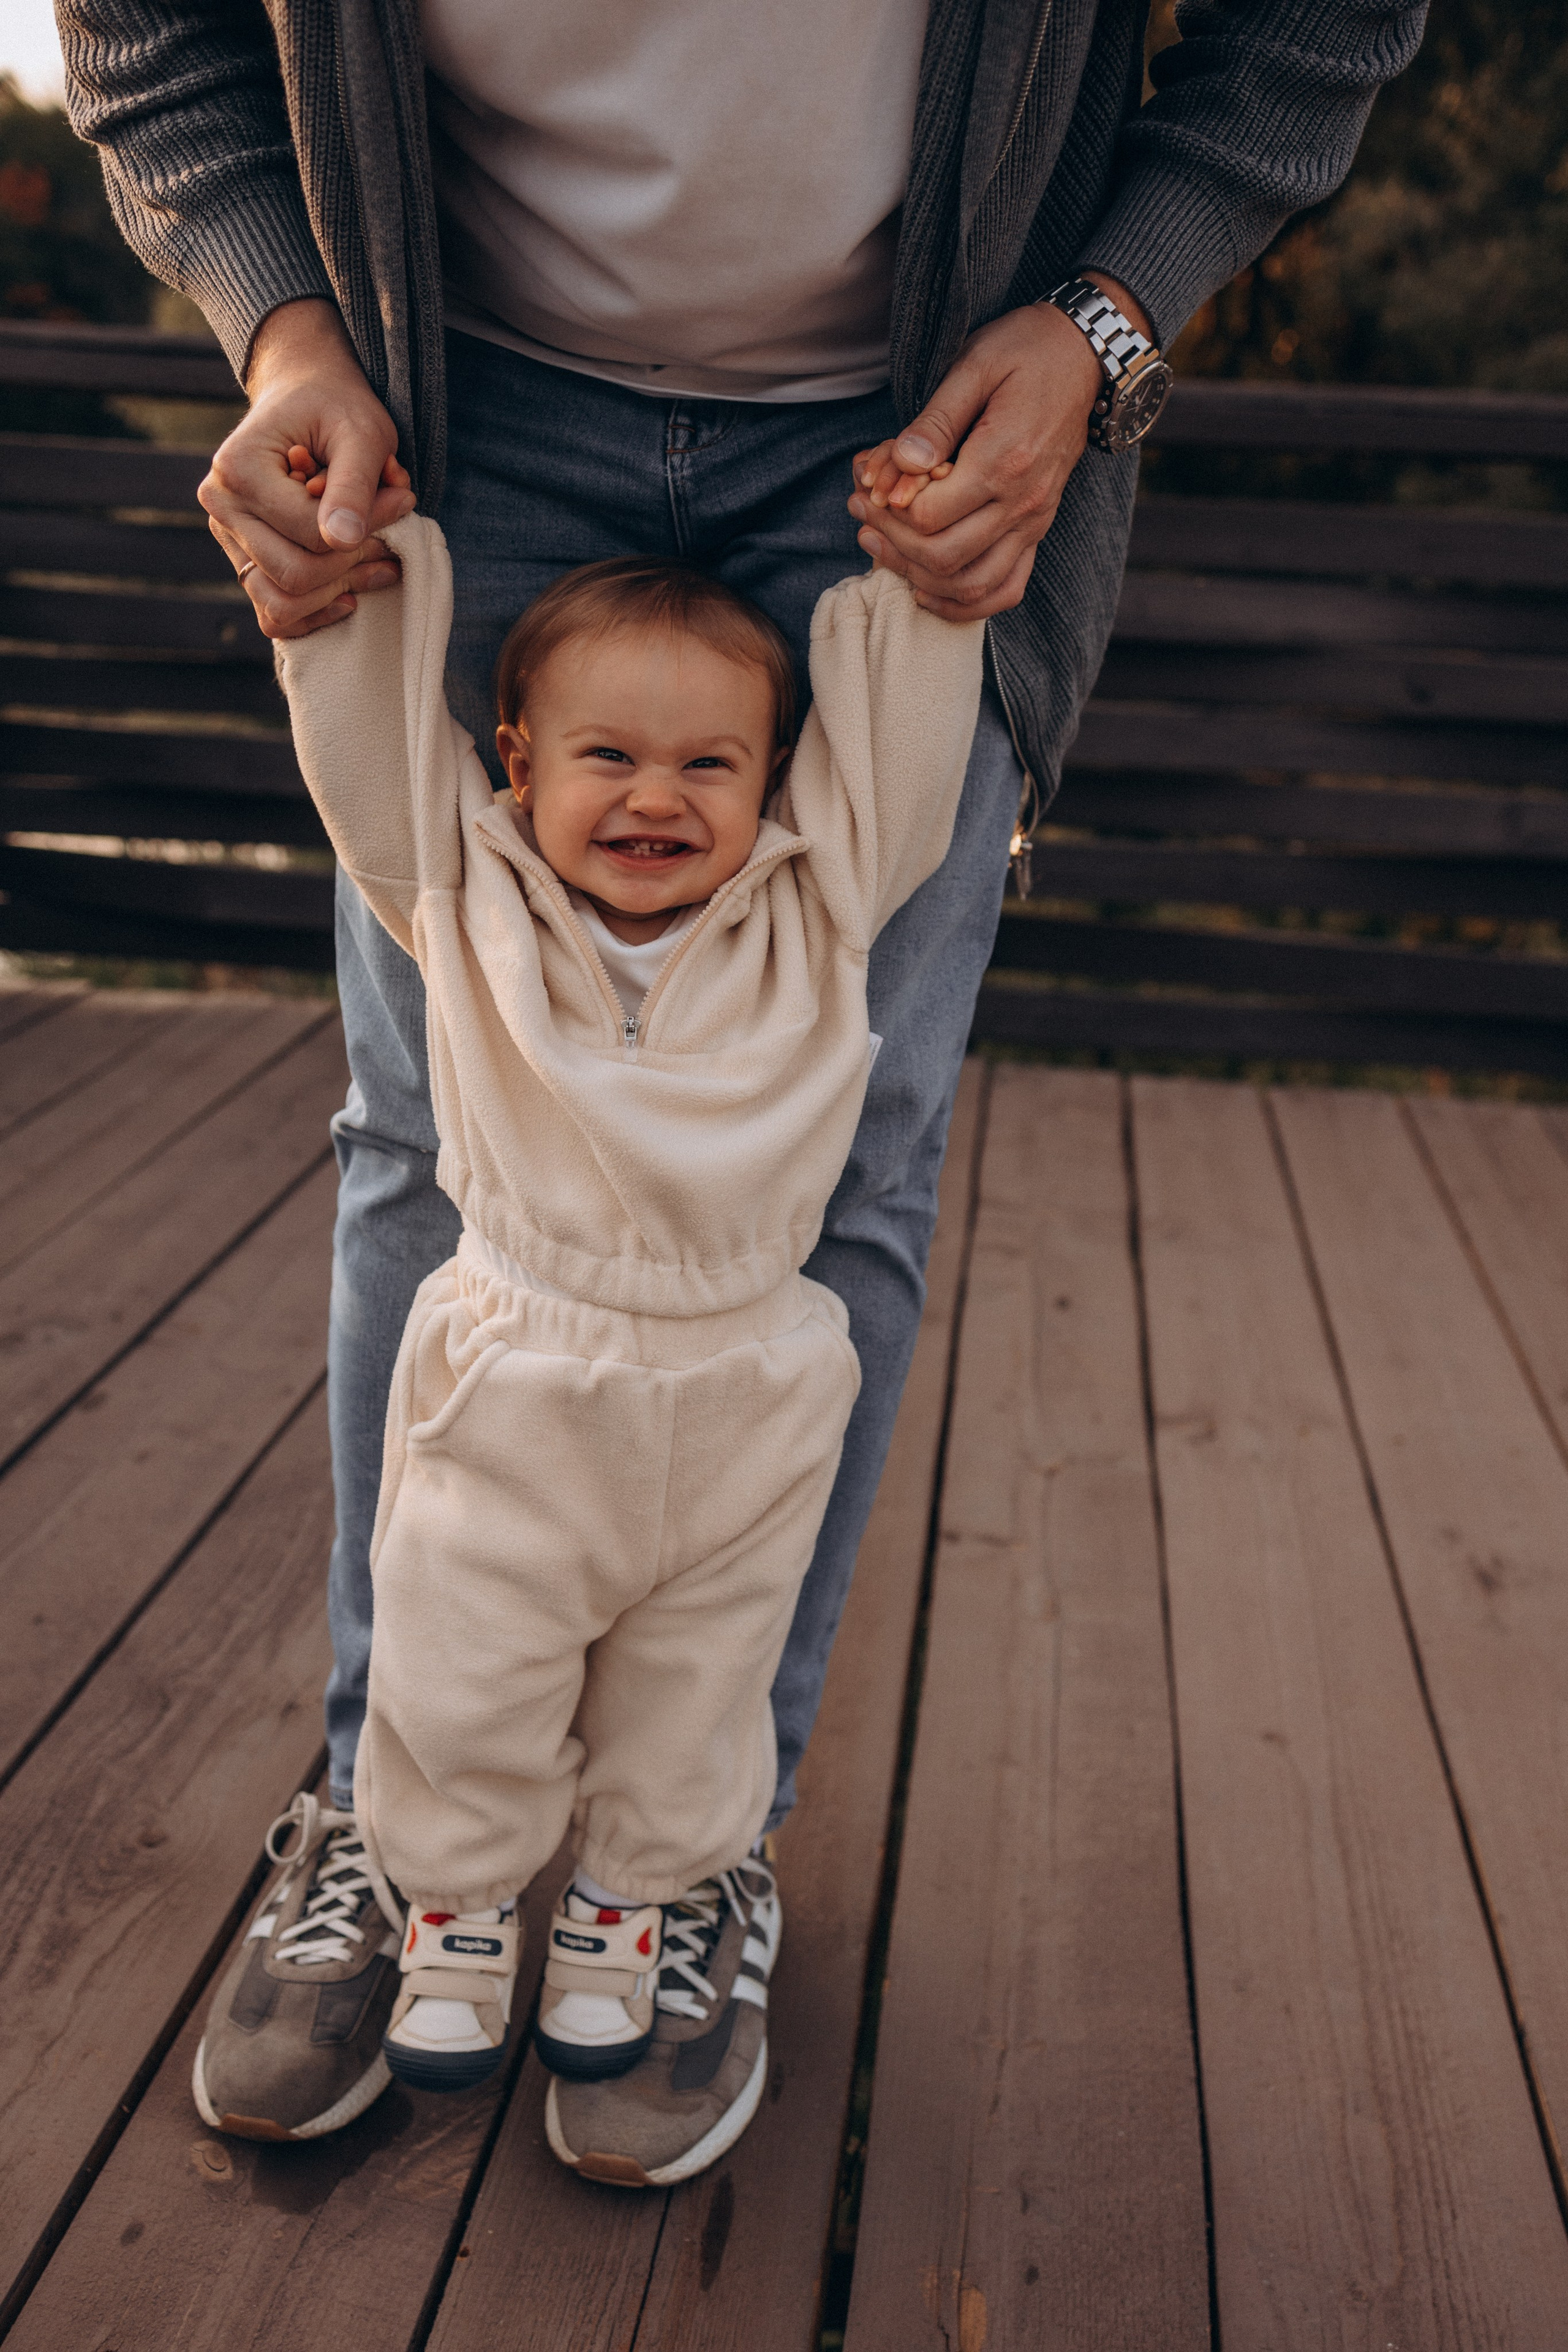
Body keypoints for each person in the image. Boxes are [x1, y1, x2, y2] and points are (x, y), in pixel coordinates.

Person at [61, 0, 1428, 2166]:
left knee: (846, 1173)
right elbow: (149, 34)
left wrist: (1106, 313)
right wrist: (282, 328)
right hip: (458, 393)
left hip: (917, 415)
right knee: (430, 1143)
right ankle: (398, 1825)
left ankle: (677, 1860)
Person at [194, 514, 979, 2183]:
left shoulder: (816, 910)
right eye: (608, 755)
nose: (656, 797)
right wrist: (358, 587)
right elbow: (361, 762)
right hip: (521, 1367)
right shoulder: (467, 903)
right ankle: (461, 1906)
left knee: (700, 1691)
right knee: (460, 1659)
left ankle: (631, 1907)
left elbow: (904, 763)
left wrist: (923, 598)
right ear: (518, 758)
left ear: (774, 784)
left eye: (711, 763)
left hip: (749, 1382)